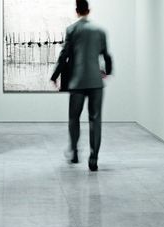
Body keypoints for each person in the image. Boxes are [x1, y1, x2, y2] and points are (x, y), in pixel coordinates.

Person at [51, 0, 113, 172]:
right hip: (95, 82)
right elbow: (106, 55)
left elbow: (64, 55)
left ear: (77, 10)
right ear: (89, 10)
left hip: (77, 82)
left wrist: (55, 76)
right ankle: (93, 159)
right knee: (95, 121)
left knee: (74, 118)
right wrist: (107, 71)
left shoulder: (72, 29)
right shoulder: (100, 31)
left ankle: (74, 151)